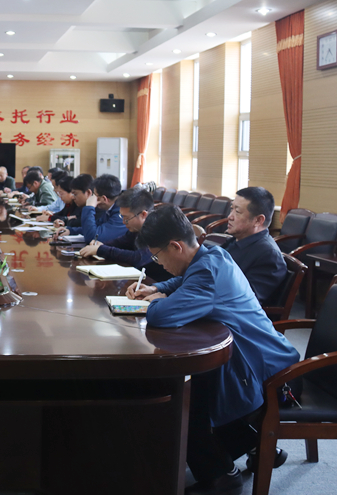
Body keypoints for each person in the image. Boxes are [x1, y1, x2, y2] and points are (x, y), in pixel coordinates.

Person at [126, 205, 299, 495]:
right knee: (194, 382)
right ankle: (247, 444)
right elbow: (184, 279)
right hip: (252, 353)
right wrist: (158, 288)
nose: (158, 263)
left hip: (263, 367)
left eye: (157, 256)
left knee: (187, 391)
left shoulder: (206, 272)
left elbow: (160, 316)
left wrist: (154, 302)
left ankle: (220, 476)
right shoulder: (213, 254)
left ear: (176, 246)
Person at [78, 188, 172, 282]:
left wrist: (100, 249)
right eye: (122, 217)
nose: (123, 222)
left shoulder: (157, 229)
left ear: (143, 215)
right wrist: (100, 244)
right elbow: (120, 242)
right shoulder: (136, 229)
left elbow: (138, 258)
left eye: (126, 218)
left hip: (158, 283)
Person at [222, 186, 287, 306]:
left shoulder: (269, 255)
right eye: (231, 209)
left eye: (237, 212)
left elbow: (244, 301)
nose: (230, 216)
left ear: (258, 220)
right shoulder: (236, 240)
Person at [57, 173, 127, 244]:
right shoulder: (109, 209)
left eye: (95, 195)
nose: (92, 198)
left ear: (104, 199)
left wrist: (89, 207)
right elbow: (96, 227)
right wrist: (71, 231)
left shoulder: (121, 214)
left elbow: (93, 238)